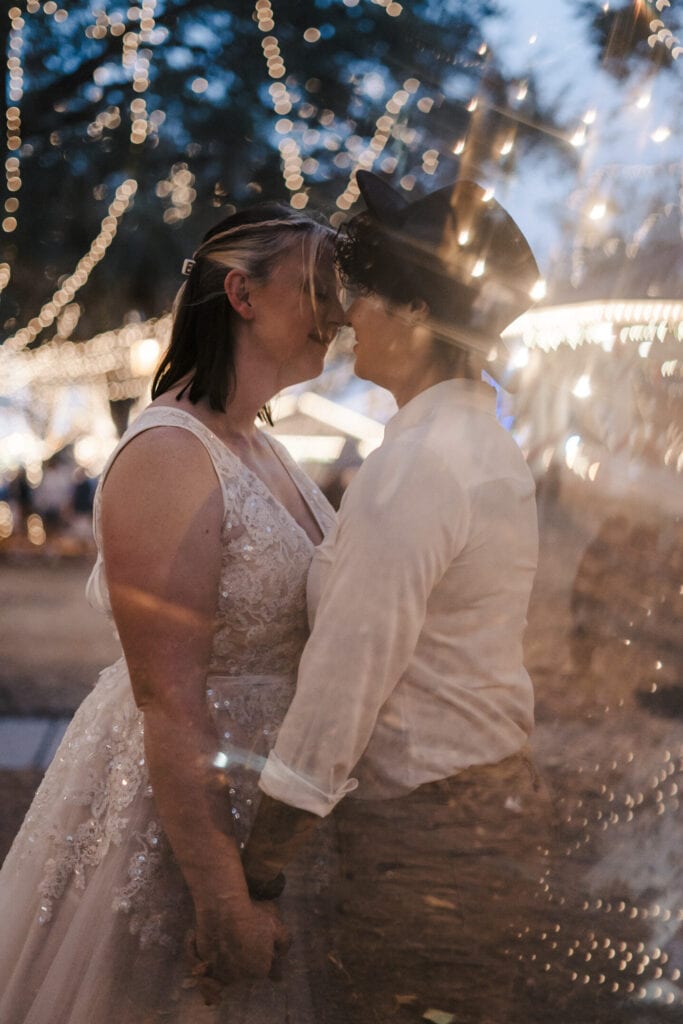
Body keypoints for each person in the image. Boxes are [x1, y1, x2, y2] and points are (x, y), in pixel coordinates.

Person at [0, 203, 343, 1023]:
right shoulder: (167, 454)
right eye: (318, 287)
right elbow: (169, 696)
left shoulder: (267, 449)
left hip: (273, 804)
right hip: (185, 817)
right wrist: (223, 896)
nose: (339, 311)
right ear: (243, 294)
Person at [243, 172, 555, 1023]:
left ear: (417, 314)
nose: (347, 316)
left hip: (430, 828)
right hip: (478, 801)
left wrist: (258, 866)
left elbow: (346, 680)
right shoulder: (471, 442)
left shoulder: (418, 467)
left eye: (367, 293)